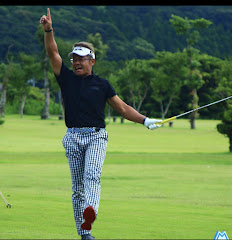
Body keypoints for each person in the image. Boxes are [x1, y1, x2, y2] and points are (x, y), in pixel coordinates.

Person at [40, 8, 162, 240]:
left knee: (92, 177)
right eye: (74, 58)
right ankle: (85, 233)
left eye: (81, 59)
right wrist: (49, 30)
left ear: (92, 61)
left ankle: (90, 214)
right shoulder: (65, 78)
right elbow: (52, 52)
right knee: (77, 190)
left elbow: (123, 109)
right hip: (72, 137)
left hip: (96, 136)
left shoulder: (102, 84)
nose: (76, 62)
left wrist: (145, 120)